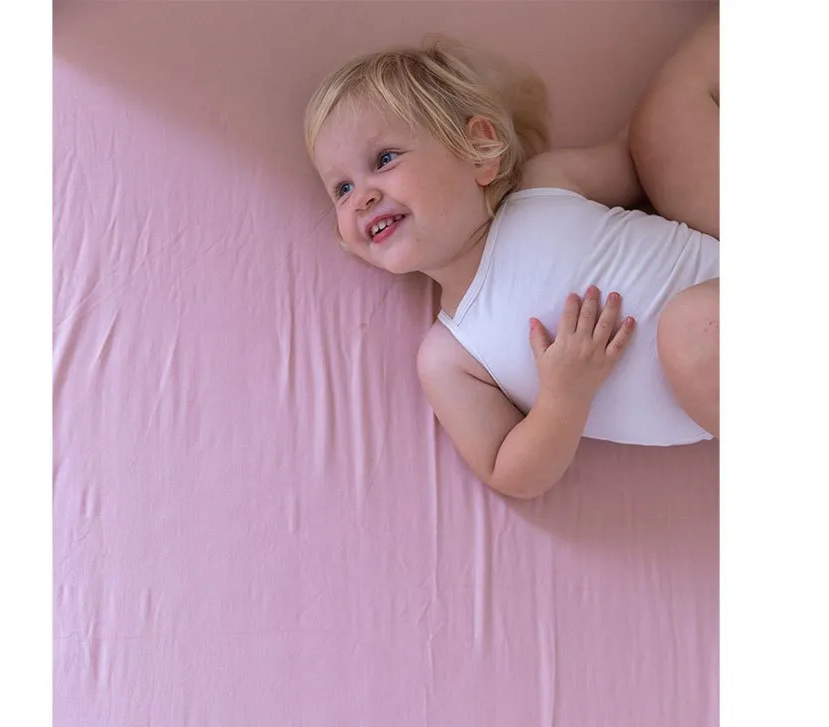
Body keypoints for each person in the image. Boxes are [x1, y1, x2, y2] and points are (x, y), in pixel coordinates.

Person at [305, 12, 719, 499]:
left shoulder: (543, 187)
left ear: (479, 150)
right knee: (691, 332)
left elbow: (641, 157)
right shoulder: (449, 356)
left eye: (384, 159)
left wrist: (672, 117)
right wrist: (564, 397)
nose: (362, 197)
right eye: (341, 188)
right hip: (712, 366)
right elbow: (508, 471)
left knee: (662, 118)